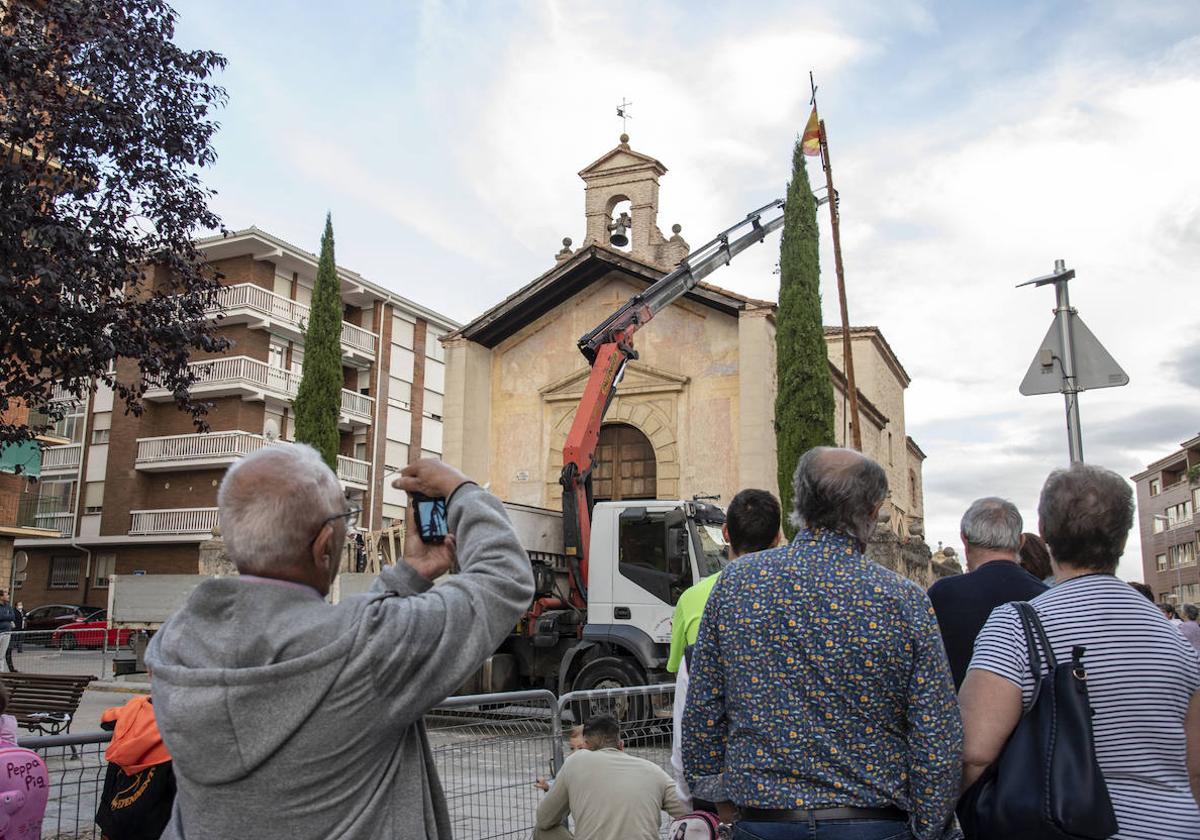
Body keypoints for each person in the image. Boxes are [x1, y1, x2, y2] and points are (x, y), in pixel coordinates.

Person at [145, 445, 535, 840]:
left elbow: (333, 635)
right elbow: (503, 579)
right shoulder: (368, 647)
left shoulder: (174, 646)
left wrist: (406, 576)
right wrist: (460, 489)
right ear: (325, 545)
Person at [684, 447, 961, 840]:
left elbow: (703, 710)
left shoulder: (737, 583)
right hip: (874, 820)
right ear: (870, 513)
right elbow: (936, 735)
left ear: (801, 506)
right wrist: (930, 829)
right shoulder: (902, 598)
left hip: (767, 821)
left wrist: (724, 804)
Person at [961, 463, 1200, 837]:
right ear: (1124, 536)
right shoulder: (1175, 638)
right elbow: (1195, 763)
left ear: (1043, 531)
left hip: (1062, 825)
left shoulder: (1017, 625)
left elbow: (974, 751)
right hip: (1174, 826)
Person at [667, 489, 781, 811]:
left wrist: (691, 795)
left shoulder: (694, 597)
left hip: (721, 788)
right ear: (778, 537)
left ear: (726, 533)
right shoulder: (797, 598)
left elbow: (687, 704)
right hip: (780, 784)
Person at [927, 498, 1047, 689]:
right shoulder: (1045, 597)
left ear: (964, 539)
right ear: (1021, 541)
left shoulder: (941, 595)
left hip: (957, 713)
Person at [534, 714, 686, 840]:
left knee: (542, 831)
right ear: (621, 745)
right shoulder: (655, 771)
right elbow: (689, 811)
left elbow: (544, 819)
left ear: (585, 746)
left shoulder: (575, 761)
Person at [95, 693, 175, 839]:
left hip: (112, 820)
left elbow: (107, 719)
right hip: (151, 826)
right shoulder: (179, 731)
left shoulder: (136, 707)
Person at [535, 725, 587, 792]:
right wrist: (547, 785)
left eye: (580, 748)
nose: (575, 752)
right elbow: (561, 782)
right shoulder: (571, 763)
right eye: (572, 748)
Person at [0, 591, 15, 674]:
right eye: (6, 595)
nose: (8, 596)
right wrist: (7, 617)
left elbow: (13, 617)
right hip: (0, 632)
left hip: (6, 632)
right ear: (1, 597)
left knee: (1, 654)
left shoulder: (8, 606)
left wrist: (5, 617)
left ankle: (1, 672)